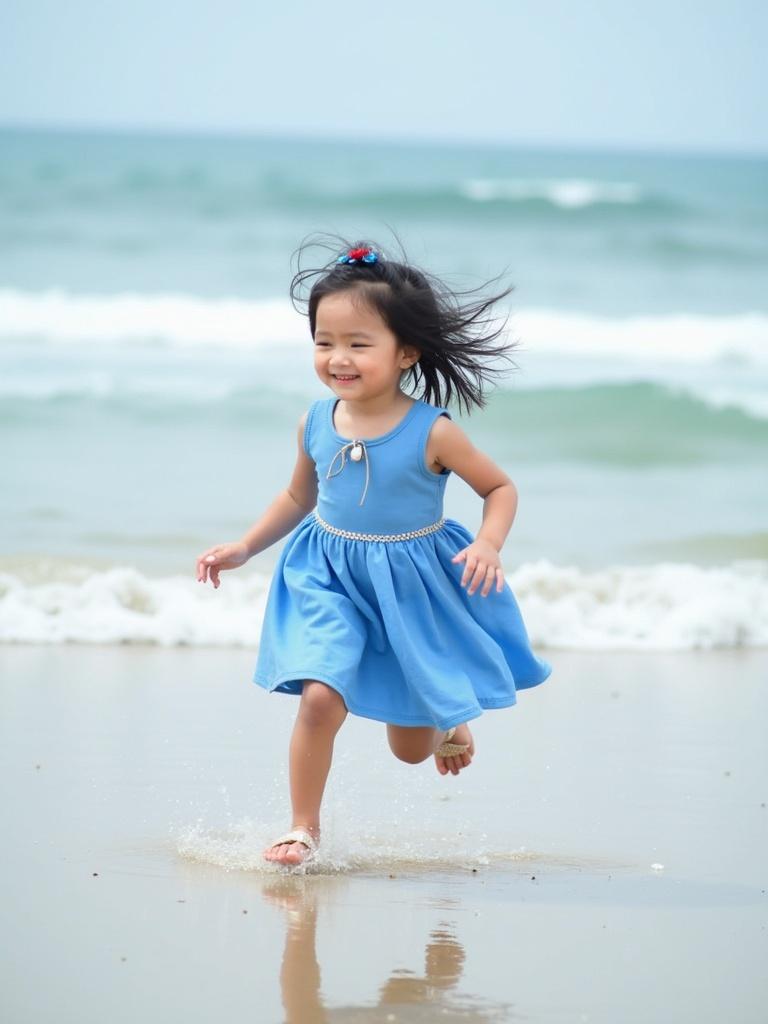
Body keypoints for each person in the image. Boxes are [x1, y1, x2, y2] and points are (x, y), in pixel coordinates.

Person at [195, 235, 552, 868]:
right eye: (324, 342)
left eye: (359, 344)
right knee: (320, 695)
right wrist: (245, 546)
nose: (339, 358)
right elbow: (299, 496)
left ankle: (444, 721)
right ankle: (304, 828)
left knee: (409, 749)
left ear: (404, 351)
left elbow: (500, 487)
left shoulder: (432, 430)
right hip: (327, 573)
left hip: (410, 585)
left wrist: (490, 544)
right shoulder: (314, 420)